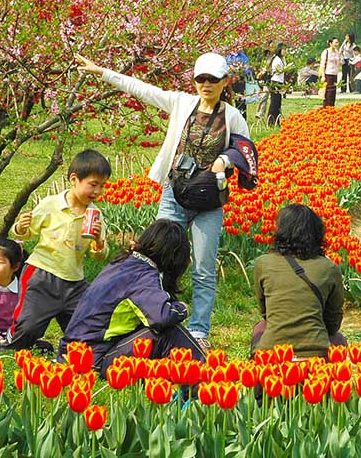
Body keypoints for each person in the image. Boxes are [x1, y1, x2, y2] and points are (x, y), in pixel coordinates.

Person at [74, 51, 251, 349]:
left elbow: (245, 151)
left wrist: (224, 159)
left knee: (204, 268)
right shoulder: (182, 103)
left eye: (213, 79)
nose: (205, 84)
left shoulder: (233, 117)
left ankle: (198, 331)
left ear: (224, 82)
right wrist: (102, 72)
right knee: (153, 258)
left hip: (209, 200)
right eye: (200, 79)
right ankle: (154, 314)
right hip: (175, 191)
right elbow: (143, 89)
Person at [61, 220, 204, 373]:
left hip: (73, 351)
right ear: (174, 257)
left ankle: (187, 375)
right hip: (92, 359)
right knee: (168, 332)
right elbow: (161, 316)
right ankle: (204, 378)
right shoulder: (143, 276)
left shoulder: (124, 263)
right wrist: (182, 308)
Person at [9, 149, 110, 349]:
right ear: (74, 179)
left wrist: (98, 241)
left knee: (86, 335)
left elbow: (99, 255)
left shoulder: (95, 214)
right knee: (27, 330)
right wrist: (21, 226)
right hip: (42, 276)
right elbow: (25, 232)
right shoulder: (52, 205)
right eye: (93, 184)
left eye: (102, 186)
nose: (97, 191)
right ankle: (10, 340)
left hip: (74, 282)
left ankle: (68, 351)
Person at [250, 204, 345, 360]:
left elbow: (266, 311)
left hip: (272, 353)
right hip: (317, 354)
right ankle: (330, 382)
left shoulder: (263, 263)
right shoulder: (329, 267)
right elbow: (333, 320)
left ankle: (262, 381)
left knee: (260, 328)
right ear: (316, 233)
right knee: (339, 340)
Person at [226, 49, 251, 119]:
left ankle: (242, 116)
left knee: (240, 99)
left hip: (240, 80)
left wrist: (242, 71)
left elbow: (247, 68)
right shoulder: (228, 56)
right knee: (228, 98)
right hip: (230, 80)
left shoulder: (243, 56)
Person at [267, 43, 286, 126]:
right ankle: (271, 121)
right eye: (284, 50)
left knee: (278, 102)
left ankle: (276, 121)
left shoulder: (282, 59)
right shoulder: (277, 59)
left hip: (280, 81)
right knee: (274, 102)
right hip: (275, 82)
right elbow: (279, 70)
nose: (285, 52)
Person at [320, 37, 341, 107]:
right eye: (335, 42)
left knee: (333, 91)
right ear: (330, 43)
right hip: (327, 73)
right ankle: (326, 106)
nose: (337, 44)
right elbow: (322, 65)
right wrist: (323, 76)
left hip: (334, 74)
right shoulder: (326, 52)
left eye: (337, 42)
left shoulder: (337, 52)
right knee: (327, 91)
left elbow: (339, 62)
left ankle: (332, 106)